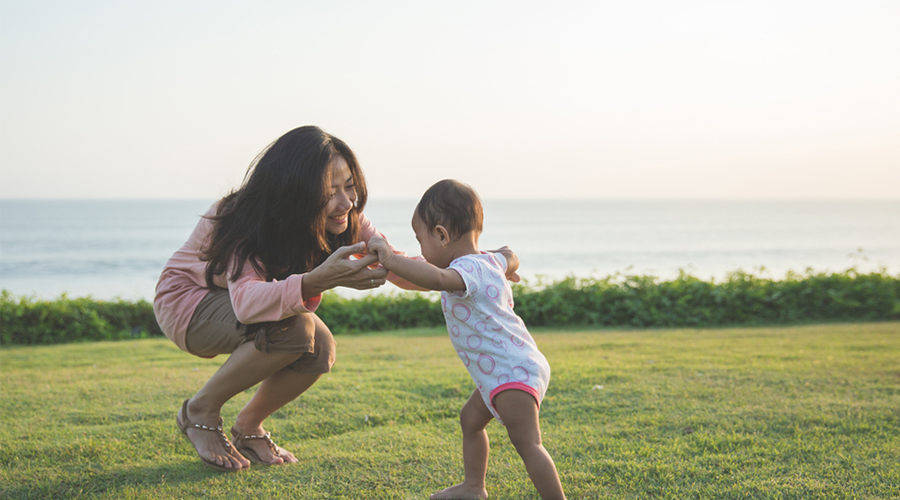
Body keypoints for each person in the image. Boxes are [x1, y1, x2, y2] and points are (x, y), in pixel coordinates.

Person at [153, 125, 418, 472]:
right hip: (188, 302)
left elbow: (399, 265)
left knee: (319, 348)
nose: (346, 202)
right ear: (294, 192)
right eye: (329, 192)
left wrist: (471, 269)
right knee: (295, 330)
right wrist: (316, 280)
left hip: (234, 302)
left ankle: (248, 426)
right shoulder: (245, 217)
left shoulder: (346, 218)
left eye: (349, 186)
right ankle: (199, 410)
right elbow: (247, 303)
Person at [367, 179, 566, 500]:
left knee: (529, 445)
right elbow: (510, 254)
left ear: (442, 235)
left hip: (510, 372)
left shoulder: (465, 271)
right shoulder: (489, 261)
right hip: (506, 368)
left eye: (421, 241)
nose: (420, 250)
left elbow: (437, 279)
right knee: (471, 420)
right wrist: (509, 265)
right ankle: (473, 487)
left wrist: (389, 259)